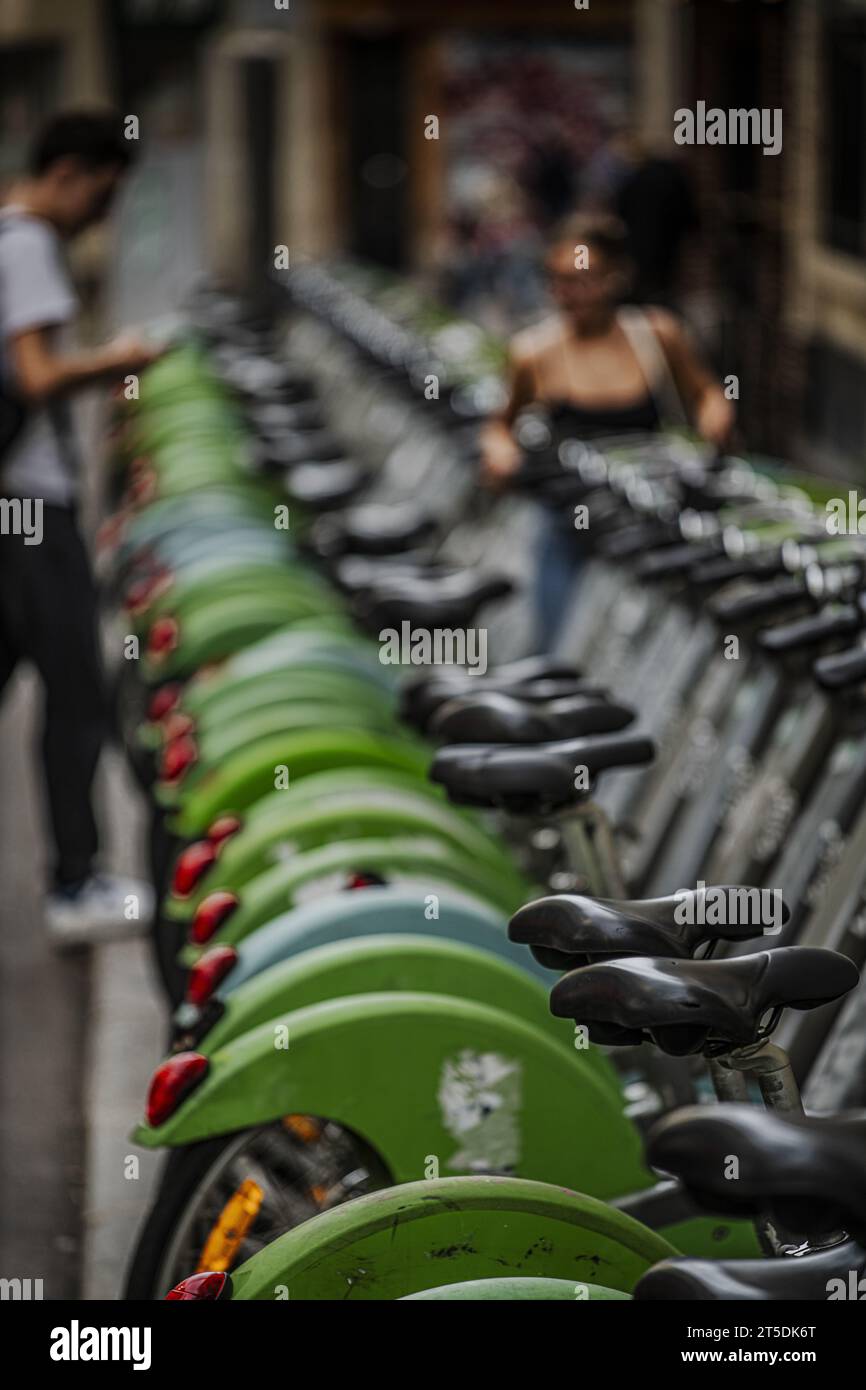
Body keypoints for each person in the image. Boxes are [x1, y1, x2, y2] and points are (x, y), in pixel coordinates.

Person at [0, 111, 161, 947]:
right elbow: (35, 376)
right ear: (69, 171)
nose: (103, 210)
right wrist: (121, 358)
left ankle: (77, 876)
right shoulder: (26, 244)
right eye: (102, 191)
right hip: (30, 508)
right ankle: (75, 882)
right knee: (76, 695)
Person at [480, 212, 734, 651]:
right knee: (556, 649)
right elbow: (500, 425)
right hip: (568, 526)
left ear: (617, 277)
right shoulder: (533, 352)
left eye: (586, 280)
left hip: (647, 522)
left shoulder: (657, 334)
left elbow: (706, 392)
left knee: (642, 652)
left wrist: (717, 413)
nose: (572, 294)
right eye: (559, 281)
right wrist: (499, 453)